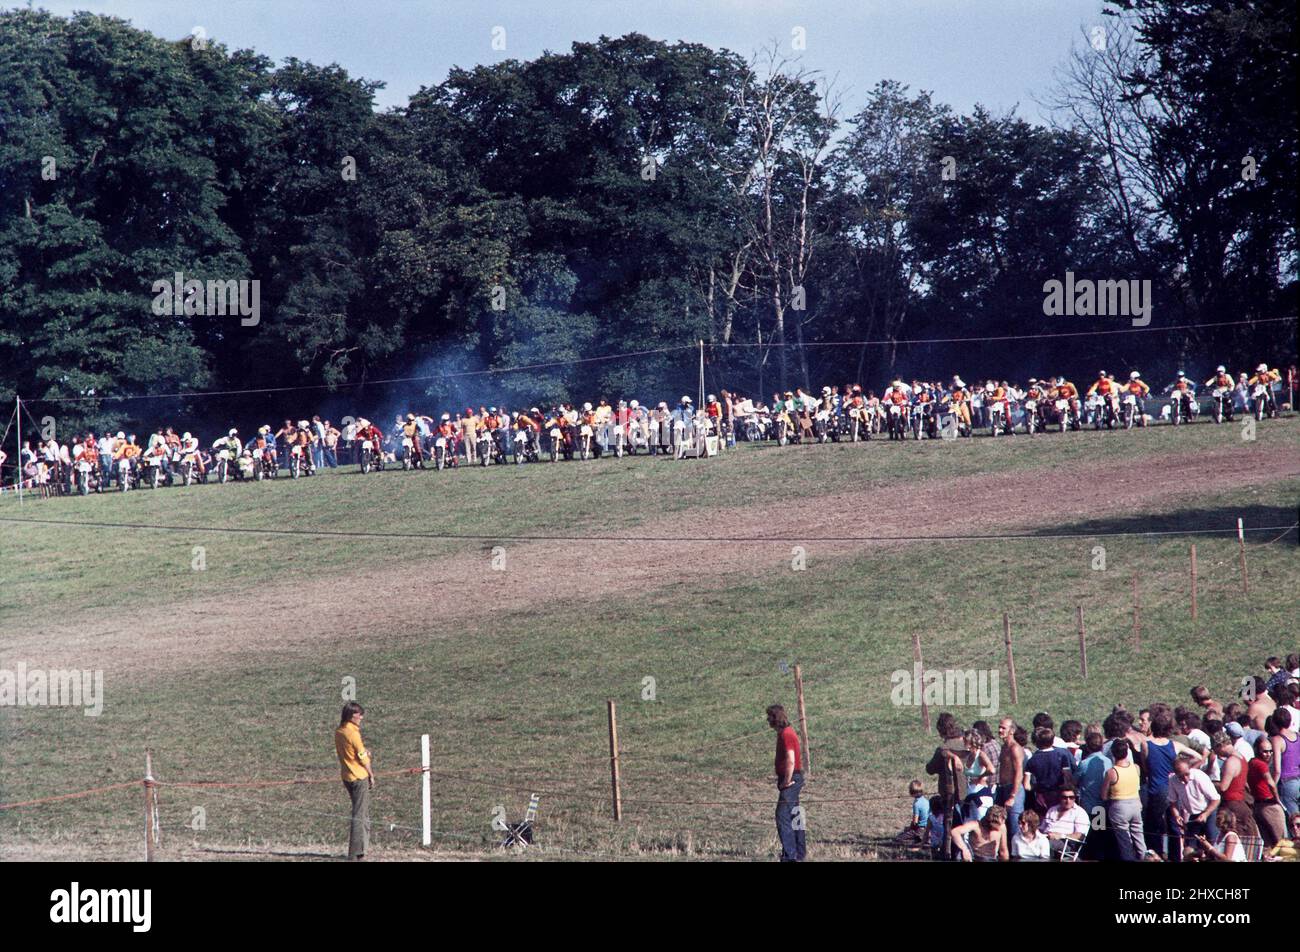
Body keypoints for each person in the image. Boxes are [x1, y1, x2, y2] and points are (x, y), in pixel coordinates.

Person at [334, 701, 375, 861]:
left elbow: (350, 752)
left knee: (362, 813)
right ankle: (355, 854)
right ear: (352, 716)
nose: (361, 717)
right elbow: (362, 757)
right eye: (359, 714)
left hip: (346, 775)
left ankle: (362, 850)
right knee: (359, 815)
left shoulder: (339, 731)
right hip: (359, 777)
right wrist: (371, 773)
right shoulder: (353, 733)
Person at [766, 704, 805, 861]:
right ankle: (800, 853)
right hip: (794, 777)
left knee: (782, 815)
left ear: (775, 718)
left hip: (791, 778)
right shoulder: (785, 732)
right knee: (795, 814)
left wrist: (786, 782)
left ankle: (790, 856)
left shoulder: (786, 735)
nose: (767, 720)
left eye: (769, 716)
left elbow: (791, 760)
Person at [1167, 753, 1220, 861]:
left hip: (1208, 811)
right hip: (1193, 815)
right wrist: (1177, 816)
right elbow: (1172, 801)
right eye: (1181, 776)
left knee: (1212, 844)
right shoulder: (1173, 780)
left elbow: (1216, 799)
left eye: (1186, 774)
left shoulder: (1200, 777)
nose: (1185, 779)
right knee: (1188, 849)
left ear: (1190, 768)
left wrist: (1206, 814)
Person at [1102, 738, 1145, 861]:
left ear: (1113, 753)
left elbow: (1104, 795)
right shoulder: (1136, 768)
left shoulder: (1112, 772)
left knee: (1124, 841)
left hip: (1119, 806)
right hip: (1136, 804)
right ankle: (1144, 857)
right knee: (1139, 836)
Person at [1249, 736, 1287, 846]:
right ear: (1257, 750)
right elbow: (1271, 783)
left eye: (1270, 751)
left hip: (1258, 805)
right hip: (1269, 804)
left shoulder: (1251, 763)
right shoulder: (1261, 765)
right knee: (1282, 841)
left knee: (1267, 842)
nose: (1269, 754)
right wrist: (1277, 799)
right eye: (1265, 751)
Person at [1041, 788, 1089, 857]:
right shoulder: (1052, 810)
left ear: (1075, 798)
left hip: (1065, 842)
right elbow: (1042, 828)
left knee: (1044, 844)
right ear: (1060, 798)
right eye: (1064, 798)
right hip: (1045, 837)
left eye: (1071, 797)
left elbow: (1080, 836)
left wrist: (1060, 836)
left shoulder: (1080, 813)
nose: (1068, 801)